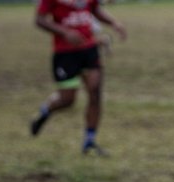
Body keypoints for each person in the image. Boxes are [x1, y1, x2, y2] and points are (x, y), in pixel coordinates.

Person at [29, 0, 126, 156]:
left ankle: (89, 142)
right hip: (64, 53)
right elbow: (39, 20)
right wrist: (65, 32)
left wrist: (114, 22)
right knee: (67, 100)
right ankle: (46, 110)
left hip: (89, 48)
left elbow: (95, 9)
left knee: (95, 93)